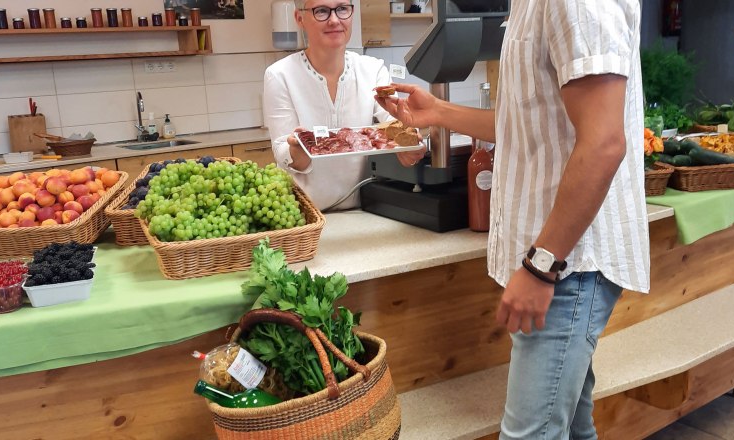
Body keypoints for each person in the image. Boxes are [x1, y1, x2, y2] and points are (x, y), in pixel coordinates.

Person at [375, 0, 649, 438]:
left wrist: (541, 266)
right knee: (573, 428)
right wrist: (439, 114)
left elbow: (603, 144)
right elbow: (530, 123)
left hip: (569, 266)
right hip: (559, 262)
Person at [263, 0, 423, 211]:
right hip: (305, 217)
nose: (334, 20)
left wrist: (410, 144)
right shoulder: (280, 75)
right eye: (321, 11)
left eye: (342, 9)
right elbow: (283, 151)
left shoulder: (373, 70)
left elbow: (395, 124)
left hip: (365, 212)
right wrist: (296, 151)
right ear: (299, 18)